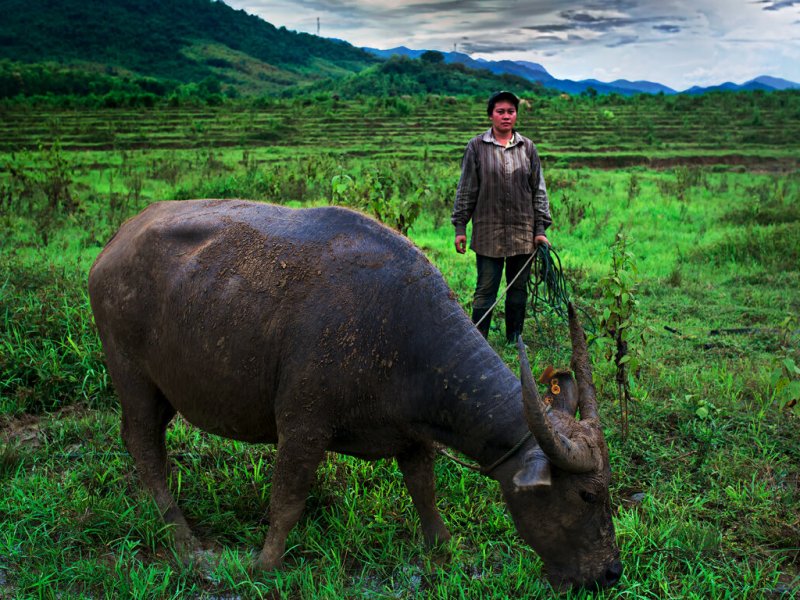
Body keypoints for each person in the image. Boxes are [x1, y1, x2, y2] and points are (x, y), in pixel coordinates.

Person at [451, 90, 552, 342]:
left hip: (523, 231)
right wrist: (460, 226)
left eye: (511, 111)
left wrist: (540, 230)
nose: (506, 116)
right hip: (489, 232)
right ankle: (478, 341)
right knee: (486, 288)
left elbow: (538, 190)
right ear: (491, 115)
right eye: (500, 112)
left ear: (516, 115)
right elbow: (466, 189)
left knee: (518, 288)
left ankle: (514, 338)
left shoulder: (528, 148)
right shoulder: (476, 147)